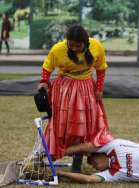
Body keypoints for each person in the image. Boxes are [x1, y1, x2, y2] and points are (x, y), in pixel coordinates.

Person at [37, 24, 113, 172]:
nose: (74, 48)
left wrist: (99, 88)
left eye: (77, 46)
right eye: (71, 45)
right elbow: (47, 67)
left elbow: (101, 68)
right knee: (63, 125)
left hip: (87, 90)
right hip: (64, 90)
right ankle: (46, 154)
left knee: (83, 127)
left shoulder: (96, 46)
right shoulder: (58, 49)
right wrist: (44, 82)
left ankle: (77, 162)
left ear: (85, 42)